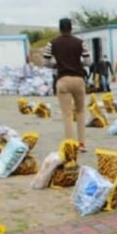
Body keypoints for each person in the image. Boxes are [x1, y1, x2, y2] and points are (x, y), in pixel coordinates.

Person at [43, 17, 92, 152]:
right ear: (71, 28)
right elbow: (88, 62)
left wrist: (57, 64)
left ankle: (70, 144)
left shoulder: (52, 43)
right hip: (78, 79)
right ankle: (82, 143)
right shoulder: (80, 43)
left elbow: (46, 62)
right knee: (81, 111)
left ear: (60, 28)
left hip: (63, 80)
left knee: (67, 113)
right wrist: (77, 63)